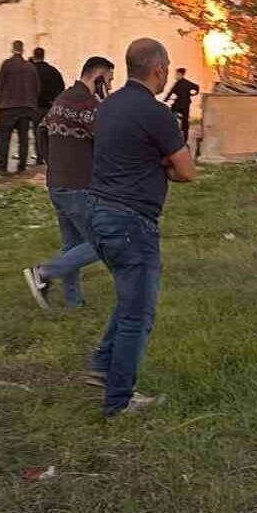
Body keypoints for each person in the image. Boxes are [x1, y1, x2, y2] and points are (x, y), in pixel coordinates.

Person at [86, 38, 196, 418]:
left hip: (98, 215)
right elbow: (186, 171)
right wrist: (159, 167)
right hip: (132, 223)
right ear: (159, 69)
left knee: (128, 299)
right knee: (139, 314)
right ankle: (118, 401)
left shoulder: (107, 106)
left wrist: (147, 165)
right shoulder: (157, 114)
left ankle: (103, 364)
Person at [23, 57, 115, 310]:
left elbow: (41, 130)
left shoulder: (61, 100)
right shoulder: (89, 106)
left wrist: (52, 162)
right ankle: (43, 273)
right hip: (79, 185)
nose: (109, 86)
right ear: (98, 76)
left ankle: (74, 302)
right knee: (104, 242)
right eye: (108, 80)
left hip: (57, 183)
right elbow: (108, 141)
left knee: (72, 245)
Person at [0, 40, 39, 175]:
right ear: (23, 50)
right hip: (26, 108)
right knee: (23, 139)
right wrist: (31, 104)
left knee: (4, 138)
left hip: (8, 107)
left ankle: (2, 166)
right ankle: (21, 166)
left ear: (12, 49)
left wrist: (0, 103)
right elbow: (36, 88)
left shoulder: (7, 65)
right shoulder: (30, 67)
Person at [30, 47, 65, 165]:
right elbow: (61, 88)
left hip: (36, 106)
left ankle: (40, 157)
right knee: (51, 133)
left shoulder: (32, 70)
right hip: (51, 107)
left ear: (34, 56)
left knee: (38, 133)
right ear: (43, 56)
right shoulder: (53, 71)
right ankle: (52, 157)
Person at [163, 68, 200, 143]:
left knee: (170, 115)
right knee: (185, 121)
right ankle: (185, 137)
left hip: (178, 105)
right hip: (186, 105)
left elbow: (170, 92)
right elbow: (197, 88)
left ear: (181, 74)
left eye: (177, 74)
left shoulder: (177, 84)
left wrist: (165, 100)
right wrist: (192, 94)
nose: (176, 76)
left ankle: (171, 130)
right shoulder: (188, 83)